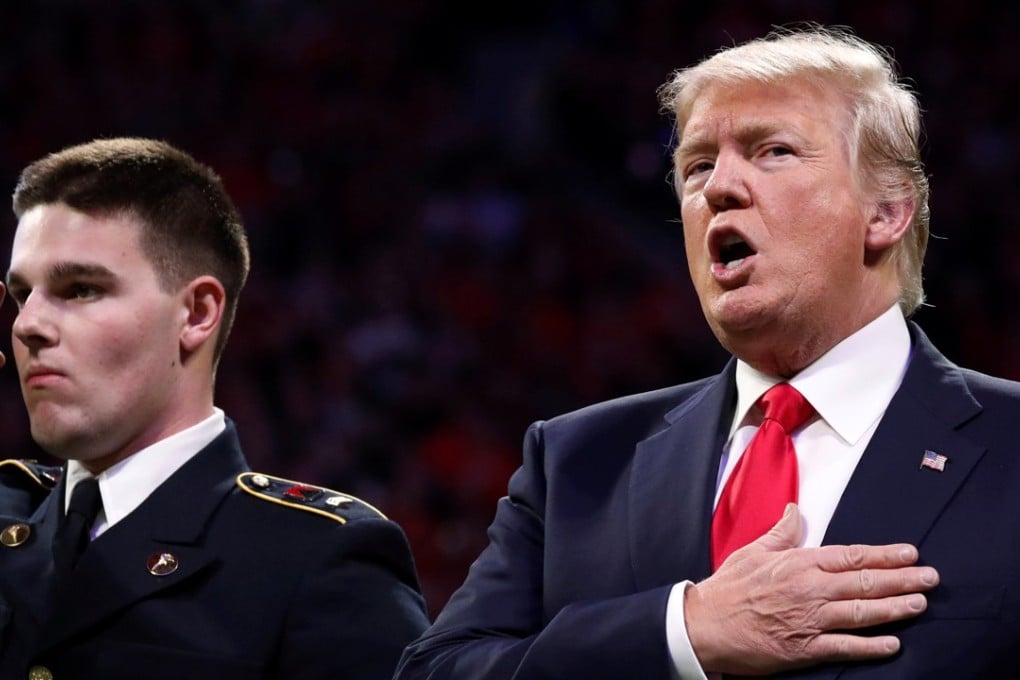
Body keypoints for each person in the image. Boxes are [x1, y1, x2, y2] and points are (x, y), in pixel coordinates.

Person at [395, 24, 1020, 679]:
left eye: (772, 151)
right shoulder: (577, 464)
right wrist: (682, 632)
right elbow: (436, 670)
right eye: (697, 165)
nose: (719, 187)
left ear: (886, 211)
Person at [0, 137, 429, 679]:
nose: (26, 325)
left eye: (80, 288)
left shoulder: (314, 558)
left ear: (197, 313)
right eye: (22, 294)